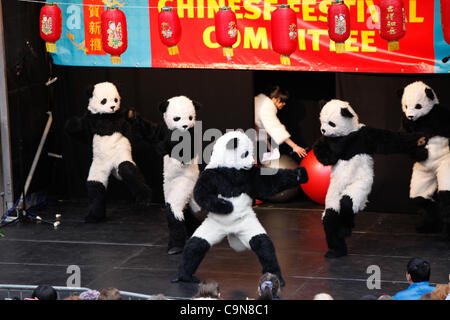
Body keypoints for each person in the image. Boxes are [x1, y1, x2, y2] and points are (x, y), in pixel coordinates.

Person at [254, 85, 307, 163]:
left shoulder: (262, 102)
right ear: (276, 99)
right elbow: (276, 128)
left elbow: (263, 129)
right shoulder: (267, 107)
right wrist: (295, 146)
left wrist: (271, 150)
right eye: (283, 101)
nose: (284, 104)